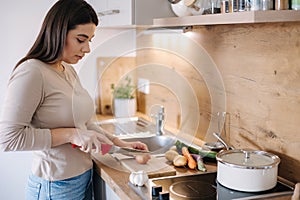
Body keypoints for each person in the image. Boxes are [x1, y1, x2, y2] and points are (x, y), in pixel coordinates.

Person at [0, 0, 149, 199]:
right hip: (55, 186)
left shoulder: (66, 69)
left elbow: (84, 124)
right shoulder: (32, 72)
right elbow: (9, 139)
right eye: (81, 39)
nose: (87, 48)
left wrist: (117, 143)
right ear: (58, 32)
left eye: (90, 40)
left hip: (82, 179)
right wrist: (71, 135)